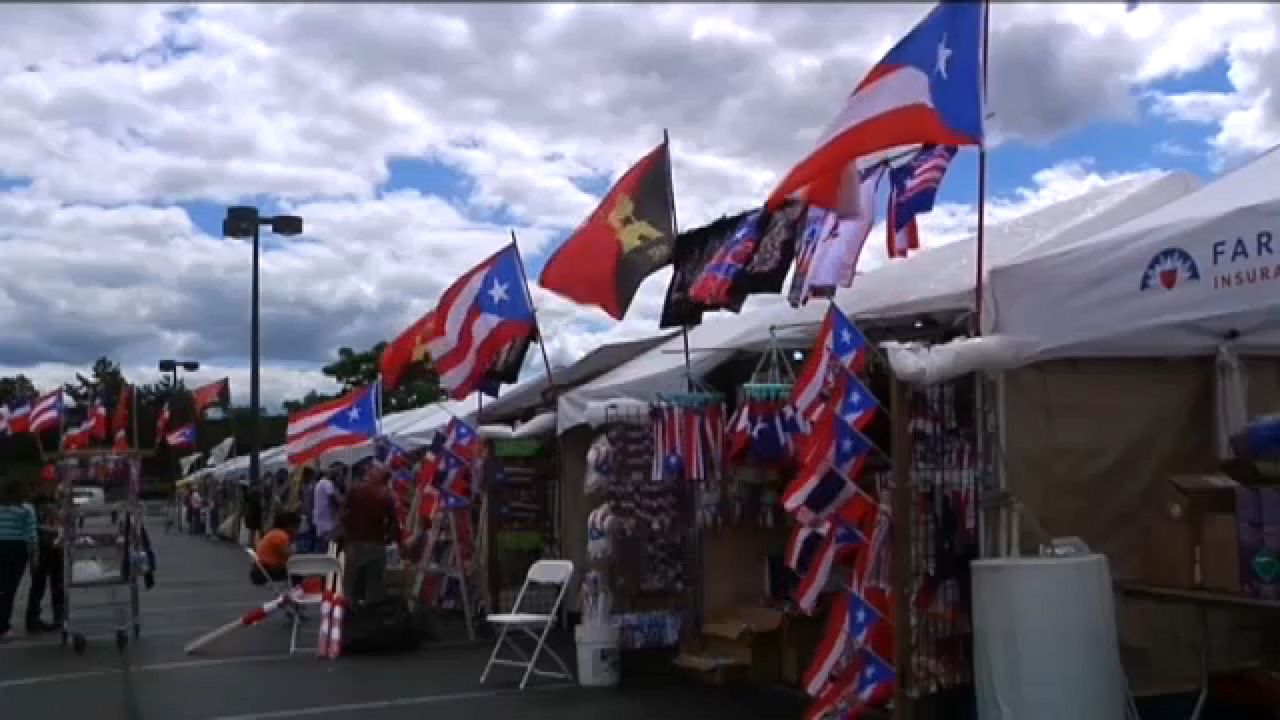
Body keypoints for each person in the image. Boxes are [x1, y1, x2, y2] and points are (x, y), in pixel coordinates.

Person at [340, 465, 400, 608]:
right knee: (375, 584)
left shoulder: (355, 491)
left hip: (355, 543)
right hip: (376, 543)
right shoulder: (387, 496)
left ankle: (350, 610)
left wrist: (348, 532)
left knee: (352, 582)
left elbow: (342, 515)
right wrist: (390, 538)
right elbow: (393, 523)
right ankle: (371, 615)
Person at [26, 478, 65, 633]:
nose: (51, 487)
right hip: (42, 547)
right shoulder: (35, 504)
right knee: (39, 584)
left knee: (56, 582)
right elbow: (35, 526)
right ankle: (34, 618)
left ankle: (58, 615)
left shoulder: (56, 501)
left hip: (54, 546)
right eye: (47, 485)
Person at [0, 476, 37, 640]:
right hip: (17, 549)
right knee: (9, 588)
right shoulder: (26, 509)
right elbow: (31, 535)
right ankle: (3, 626)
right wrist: (34, 556)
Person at [250, 511, 301, 586]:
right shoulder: (280, 536)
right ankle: (294, 594)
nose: (298, 530)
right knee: (300, 573)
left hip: (261, 570)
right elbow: (289, 556)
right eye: (297, 527)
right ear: (290, 526)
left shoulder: (274, 533)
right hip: (265, 572)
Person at [311, 468, 339, 552]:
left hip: (319, 518)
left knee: (321, 543)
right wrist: (337, 509)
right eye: (336, 475)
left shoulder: (319, 483)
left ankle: (320, 560)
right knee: (329, 545)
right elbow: (331, 497)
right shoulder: (327, 483)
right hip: (327, 519)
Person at [242, 482, 264, 548]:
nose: (254, 488)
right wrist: (245, 492)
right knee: (253, 530)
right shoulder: (254, 493)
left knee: (255, 530)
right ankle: (251, 543)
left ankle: (253, 543)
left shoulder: (257, 494)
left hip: (256, 513)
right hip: (254, 513)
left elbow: (251, 500)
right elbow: (247, 499)